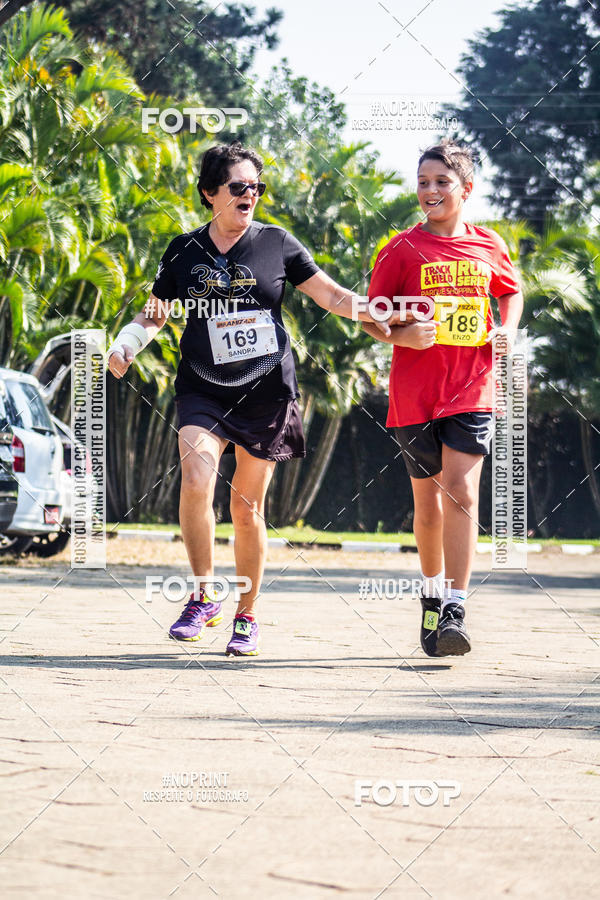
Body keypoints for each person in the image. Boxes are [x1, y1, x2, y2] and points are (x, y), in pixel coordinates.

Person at [107, 141, 390, 657]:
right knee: (196, 475)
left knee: (245, 505)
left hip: (265, 393)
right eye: (238, 187)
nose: (249, 196)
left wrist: (380, 310)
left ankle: (246, 614)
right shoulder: (183, 251)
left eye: (256, 187)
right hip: (202, 385)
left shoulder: (277, 243)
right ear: (209, 193)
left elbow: (331, 296)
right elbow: (154, 311)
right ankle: (202, 596)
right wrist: (127, 344)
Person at [364, 139, 523, 657]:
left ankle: (455, 604)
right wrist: (400, 337)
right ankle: (430, 593)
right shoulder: (400, 250)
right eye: (423, 181)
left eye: (441, 181)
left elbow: (510, 291)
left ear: (466, 188)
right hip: (415, 395)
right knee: (427, 507)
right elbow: (372, 314)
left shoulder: (488, 245)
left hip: (473, 388)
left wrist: (507, 330)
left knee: (462, 491)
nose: (430, 190)